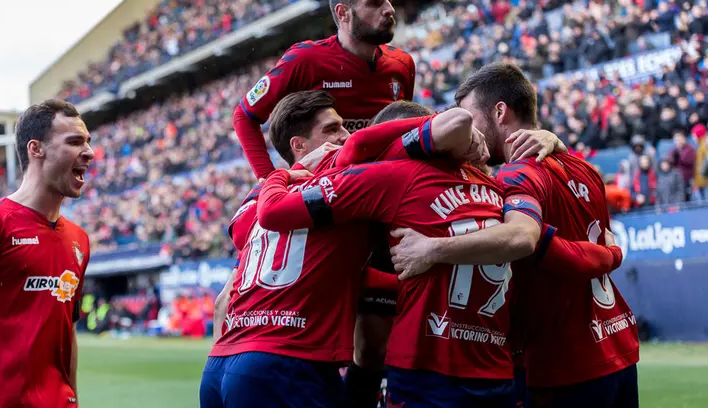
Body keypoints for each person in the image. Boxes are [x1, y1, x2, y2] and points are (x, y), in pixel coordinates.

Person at [253, 93, 624, 408]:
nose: (345, 135)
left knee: (369, 343)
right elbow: (536, 242)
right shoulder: (494, 183)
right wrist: (611, 255)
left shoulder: (387, 176)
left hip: (430, 366)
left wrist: (279, 176)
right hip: (491, 364)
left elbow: (272, 213)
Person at [201, 90, 498, 408]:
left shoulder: (263, 194)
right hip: (284, 362)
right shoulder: (358, 175)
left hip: (224, 364)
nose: (345, 134)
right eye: (332, 129)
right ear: (299, 145)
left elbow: (225, 298)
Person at [391, 62, 639, 408]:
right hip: (618, 346)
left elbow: (526, 240)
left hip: (564, 363)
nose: (465, 132)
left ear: (499, 112)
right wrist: (612, 255)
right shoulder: (583, 167)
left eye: (468, 118)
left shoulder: (515, 177)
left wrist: (432, 249)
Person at [0, 99, 94, 408]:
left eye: (88, 142)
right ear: (36, 149)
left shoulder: (79, 240)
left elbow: (68, 332)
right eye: (75, 142)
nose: (89, 153)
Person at [234, 0, 415, 180]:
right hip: (329, 192)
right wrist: (268, 180)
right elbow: (244, 116)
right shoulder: (305, 60)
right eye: (375, 2)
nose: (389, 9)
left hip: (387, 183)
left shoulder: (402, 63)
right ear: (343, 12)